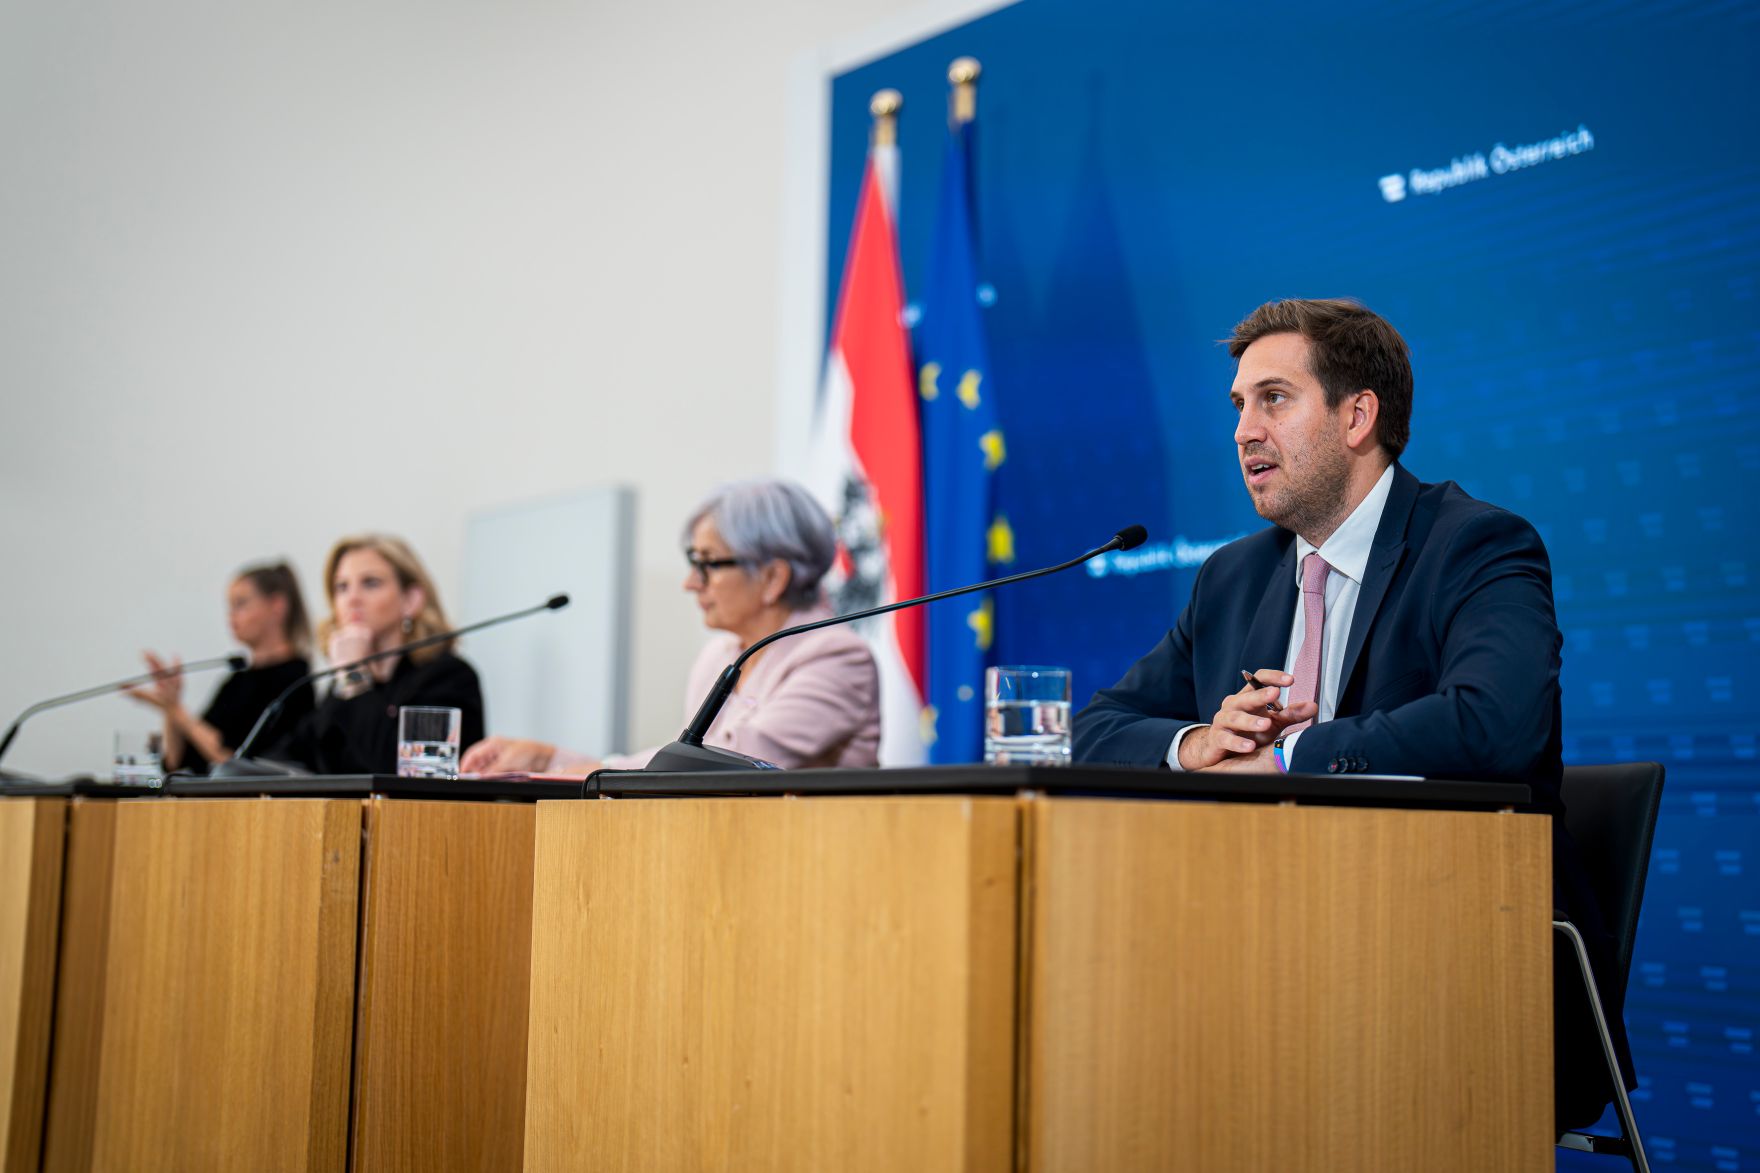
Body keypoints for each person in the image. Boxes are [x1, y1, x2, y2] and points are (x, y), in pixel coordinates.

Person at [1072, 298, 1632, 1131]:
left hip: (1456, 966)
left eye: (1274, 399)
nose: (1244, 431)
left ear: (1357, 416)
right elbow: (1093, 730)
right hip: (1262, 956)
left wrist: (1285, 759)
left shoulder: (1475, 546)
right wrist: (1200, 744)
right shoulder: (1234, 577)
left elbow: (1495, 724)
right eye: (1239, 406)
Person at [462, 479, 879, 775]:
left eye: (708, 564)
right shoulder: (720, 655)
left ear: (773, 577)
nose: (691, 583)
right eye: (693, 563)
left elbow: (722, 764)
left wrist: (566, 766)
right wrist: (549, 759)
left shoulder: (836, 657)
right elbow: (683, 764)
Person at [266, 534, 484, 774]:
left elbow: (402, 771)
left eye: (370, 583)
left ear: (410, 600)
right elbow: (289, 757)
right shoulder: (341, 687)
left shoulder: (448, 676)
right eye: (342, 587)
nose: (352, 599)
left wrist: (354, 679)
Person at [127, 561, 317, 774]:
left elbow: (235, 762)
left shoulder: (295, 682)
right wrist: (171, 710)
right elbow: (177, 762)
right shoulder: (237, 681)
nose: (231, 616)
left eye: (241, 604)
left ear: (277, 605)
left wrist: (176, 711)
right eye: (229, 606)